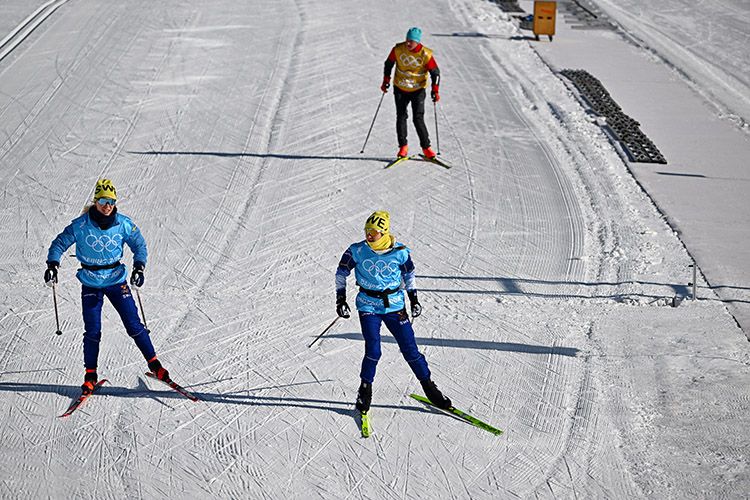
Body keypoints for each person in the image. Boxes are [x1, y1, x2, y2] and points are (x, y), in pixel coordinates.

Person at [45, 179, 169, 394]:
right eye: (103, 200)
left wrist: (139, 267)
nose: (107, 205)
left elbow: (139, 244)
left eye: (111, 201)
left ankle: (156, 366)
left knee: (134, 325)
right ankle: (90, 375)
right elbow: (59, 243)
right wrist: (52, 264)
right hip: (91, 281)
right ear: (95, 201)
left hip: (116, 280)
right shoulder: (81, 225)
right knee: (92, 330)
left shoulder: (123, 223)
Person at [335, 210, 451, 413]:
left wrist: (414, 298)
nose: (369, 235)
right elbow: (341, 273)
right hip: (368, 305)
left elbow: (409, 275)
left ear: (385, 232)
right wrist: (340, 298)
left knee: (410, 349)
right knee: (374, 349)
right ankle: (365, 390)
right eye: (367, 231)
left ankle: (430, 388)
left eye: (374, 232)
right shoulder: (357, 250)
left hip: (395, 306)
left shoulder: (401, 252)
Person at [381, 27, 441, 159]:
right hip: (400, 88)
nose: (408, 43)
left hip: (418, 90)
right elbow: (389, 63)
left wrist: (435, 90)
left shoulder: (426, 54)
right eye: (407, 40)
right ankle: (403, 147)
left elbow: (435, 73)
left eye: (411, 41)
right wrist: (386, 80)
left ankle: (426, 148)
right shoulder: (398, 49)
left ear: (418, 42)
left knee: (418, 118)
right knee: (401, 116)